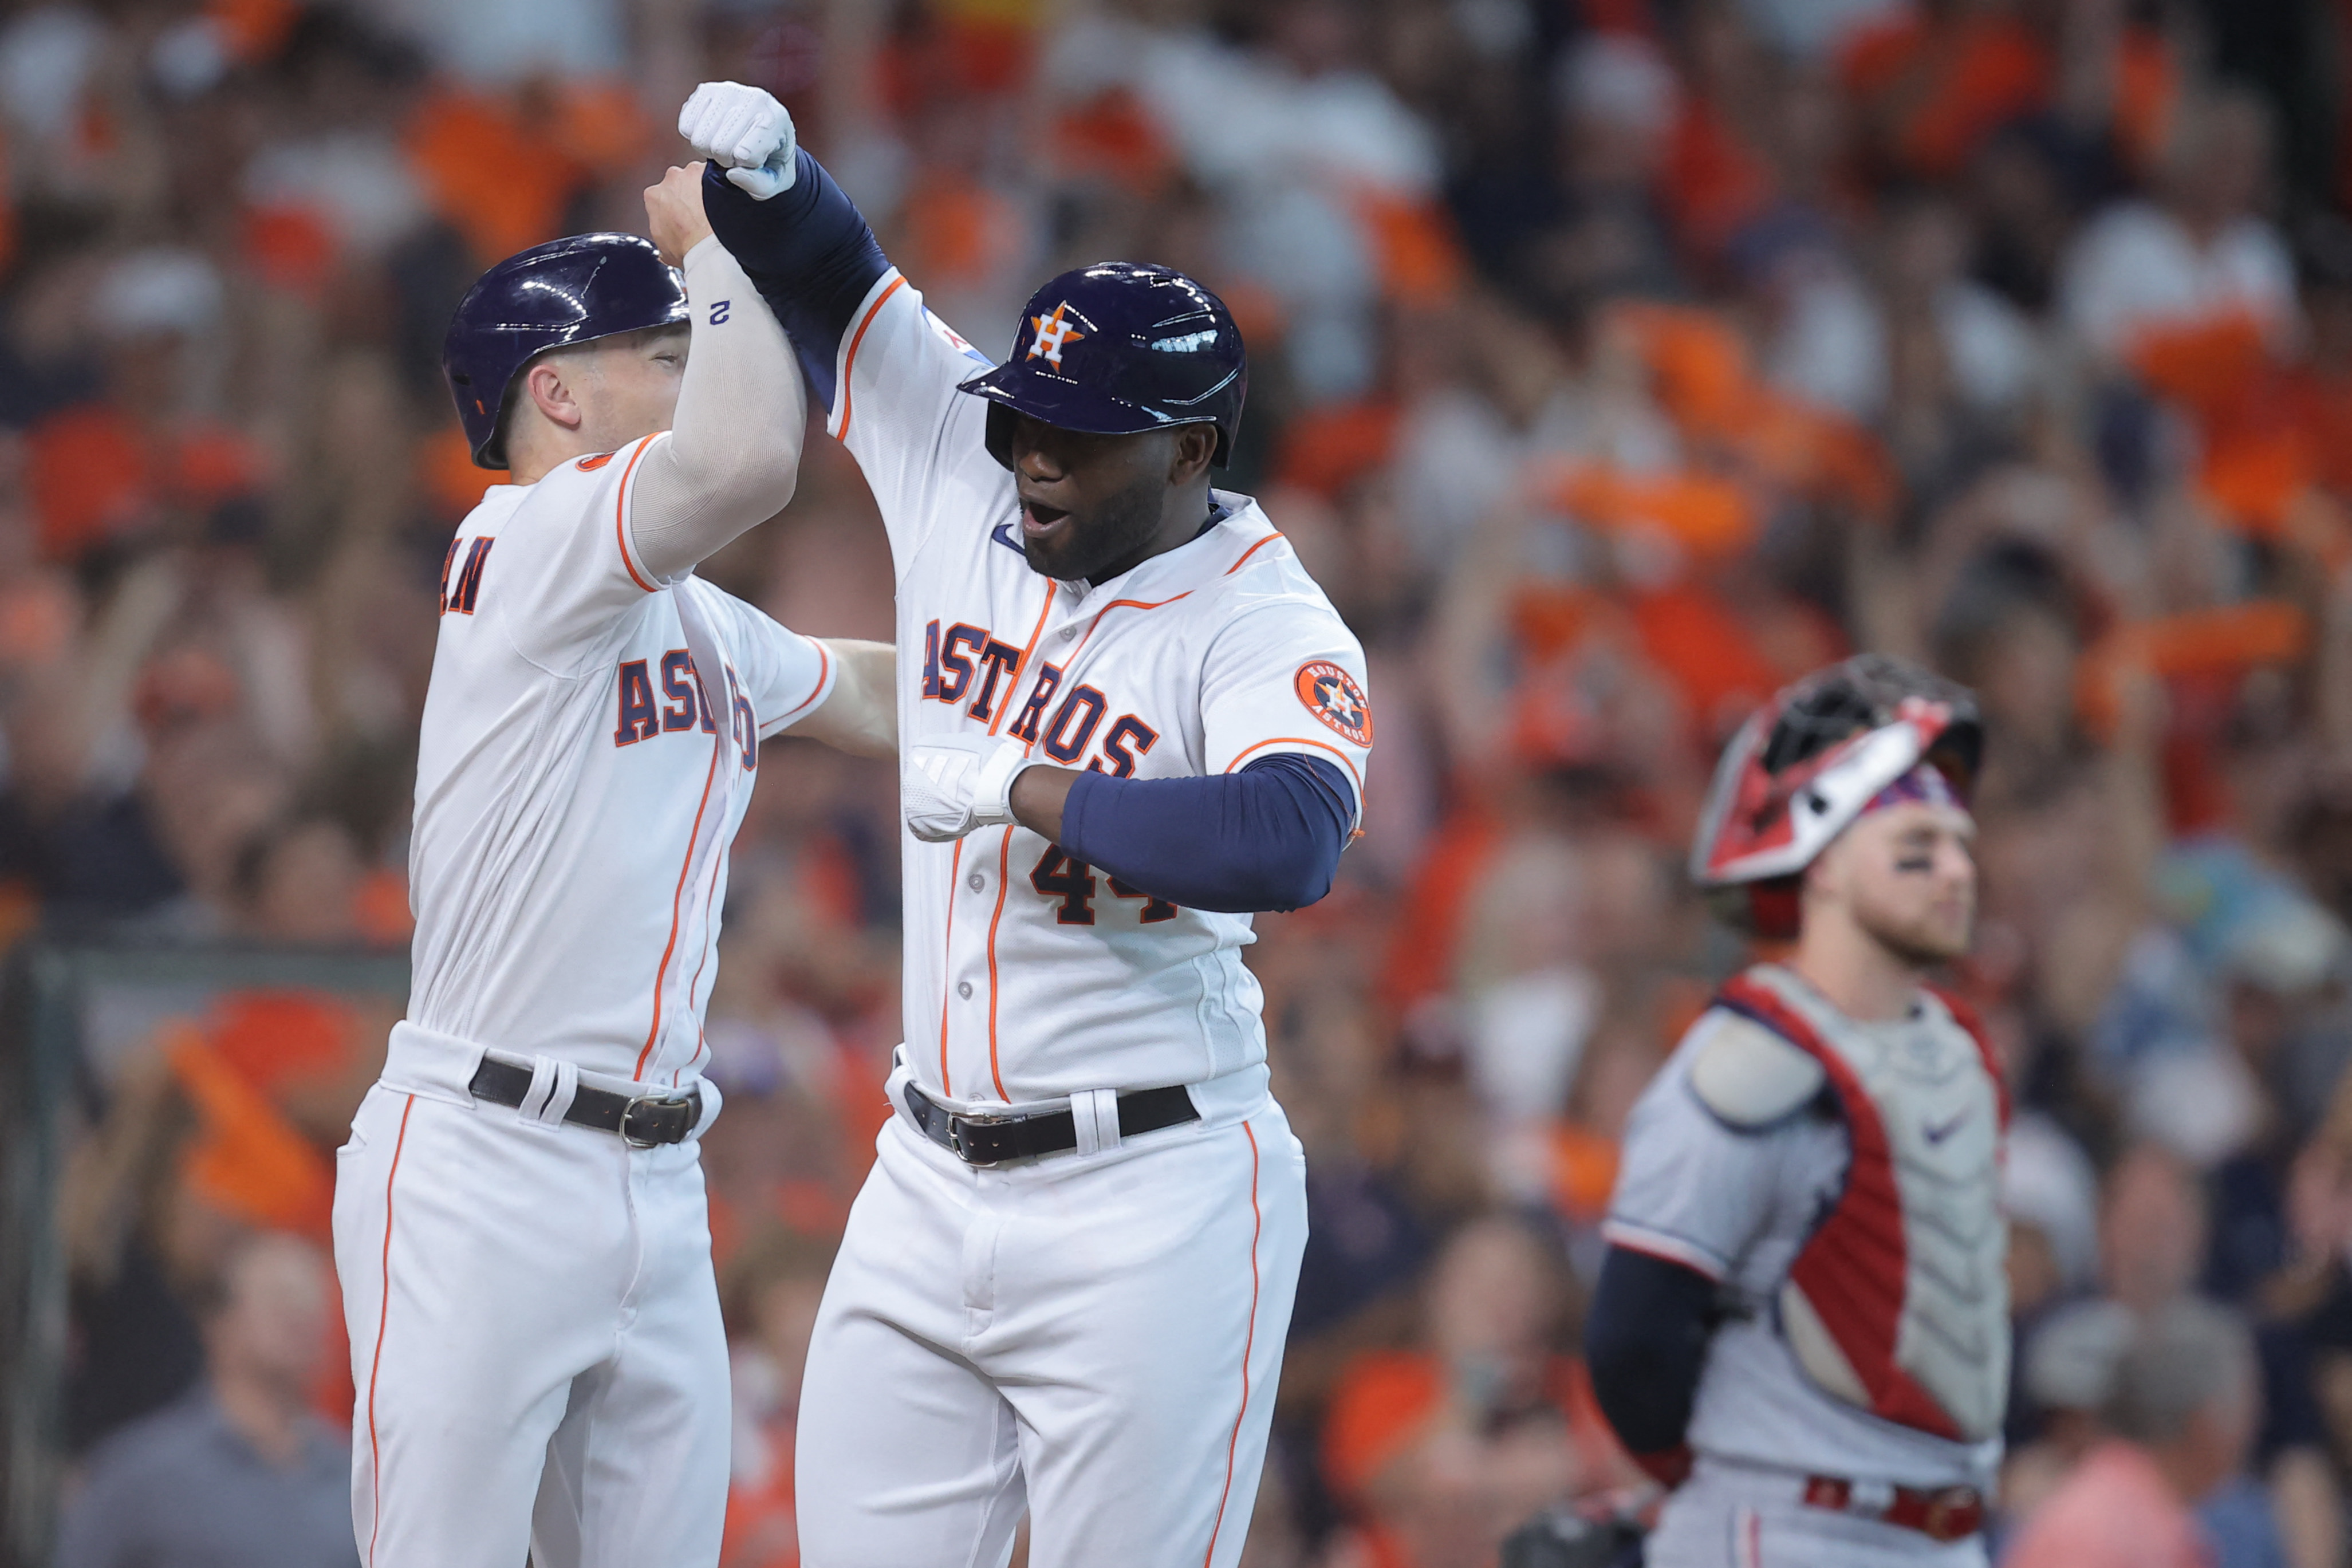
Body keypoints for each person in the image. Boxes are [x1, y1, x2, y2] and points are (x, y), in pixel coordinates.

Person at [676, 81, 1373, 1566]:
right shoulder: (957, 457)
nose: (1034, 454)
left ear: (1191, 453)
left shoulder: (1260, 619)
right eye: (1026, 419)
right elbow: (834, 277)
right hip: (924, 1174)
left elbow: (1289, 837)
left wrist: (1020, 785)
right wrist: (778, 173)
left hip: (1153, 1198)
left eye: (1079, 434)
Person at [328, 166, 897, 1568]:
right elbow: (750, 458)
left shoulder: (688, 614)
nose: (700, 370)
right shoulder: (524, 541)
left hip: (653, 1172)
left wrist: (1080, 681)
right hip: (483, 1163)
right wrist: (712, 242)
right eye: (664, 353)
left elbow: (874, 695)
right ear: (560, 399)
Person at [1582, 654, 2010, 1566]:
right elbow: (1633, 1340)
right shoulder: (1752, 1060)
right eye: (1915, 847)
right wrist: (1702, 1487)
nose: (1954, 872)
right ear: (1819, 861)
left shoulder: (1952, 1046)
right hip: (1787, 1526)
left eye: (1959, 844)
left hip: (1946, 1530)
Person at [54, 1232, 356, 1568]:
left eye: (312, 1301)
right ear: (220, 1323)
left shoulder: (354, 1476)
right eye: (279, 1299)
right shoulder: (143, 1474)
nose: (301, 1318)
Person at [2002, 1298, 2262, 1568]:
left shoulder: (2141, 1513)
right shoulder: (2107, 1531)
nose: (2252, 1425)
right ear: (2206, 1419)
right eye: (2247, 1403)